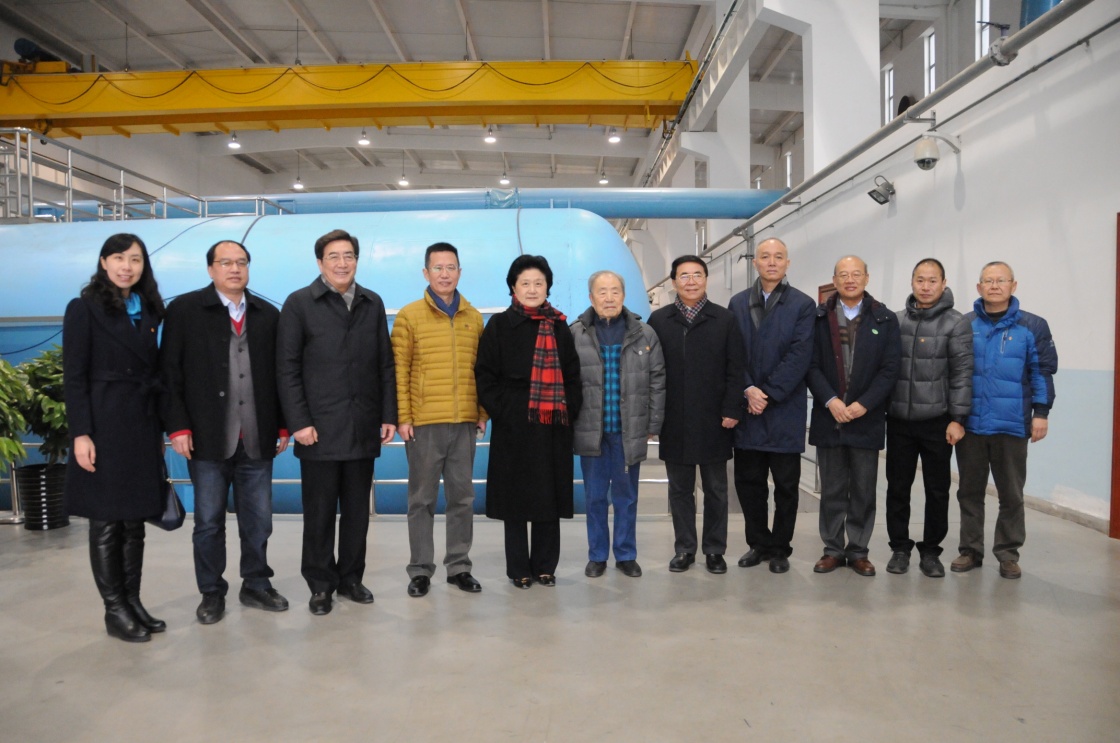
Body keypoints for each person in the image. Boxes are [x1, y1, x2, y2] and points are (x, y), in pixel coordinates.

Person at [161, 240, 291, 625]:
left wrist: (283, 424)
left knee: (259, 520)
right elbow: (170, 373)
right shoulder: (184, 310)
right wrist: (178, 426)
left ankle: (256, 583)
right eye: (226, 262)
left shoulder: (267, 314)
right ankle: (211, 592)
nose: (235, 269)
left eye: (241, 262)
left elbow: (280, 375)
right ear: (210, 269)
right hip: (206, 437)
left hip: (257, 435)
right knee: (208, 522)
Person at [276, 229, 397, 615]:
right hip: (318, 430)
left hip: (362, 425)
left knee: (358, 512)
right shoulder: (299, 304)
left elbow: (385, 363)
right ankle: (320, 584)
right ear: (320, 262)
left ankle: (351, 579)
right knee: (320, 513)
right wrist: (299, 421)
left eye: (349, 256)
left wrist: (388, 415)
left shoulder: (371, 302)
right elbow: (287, 368)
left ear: (357, 260)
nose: (342, 263)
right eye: (334, 256)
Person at [63, 233, 167, 642]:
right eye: (119, 258)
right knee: (107, 520)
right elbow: (74, 376)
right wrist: (81, 433)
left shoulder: (149, 309)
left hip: (141, 423)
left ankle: (132, 600)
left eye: (135, 259)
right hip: (104, 424)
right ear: (104, 262)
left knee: (135, 520)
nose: (127, 267)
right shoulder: (84, 308)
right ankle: (114, 609)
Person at [475, 255, 581, 589]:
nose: (532, 289)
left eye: (539, 283)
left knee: (549, 496)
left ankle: (546, 566)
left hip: (552, 423)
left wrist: (568, 412)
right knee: (515, 499)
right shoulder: (499, 325)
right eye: (525, 283)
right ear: (513, 287)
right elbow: (485, 375)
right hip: (514, 424)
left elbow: (573, 375)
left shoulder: (559, 325)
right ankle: (519, 568)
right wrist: (504, 410)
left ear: (548, 287)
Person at [391, 242, 486, 598]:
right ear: (426, 272)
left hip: (463, 423)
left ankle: (459, 566)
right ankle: (420, 570)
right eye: (438, 268)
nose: (445, 274)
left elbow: (482, 370)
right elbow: (399, 370)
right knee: (422, 499)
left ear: (460, 272)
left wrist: (481, 413)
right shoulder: (409, 316)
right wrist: (403, 416)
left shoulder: (473, 317)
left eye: (451, 267)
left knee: (463, 498)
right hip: (424, 424)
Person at [952, 261, 1056, 579]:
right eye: (988, 281)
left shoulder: (1033, 326)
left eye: (1001, 280)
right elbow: (954, 374)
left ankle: (1008, 554)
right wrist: (954, 417)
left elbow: (1042, 373)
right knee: (969, 492)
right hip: (971, 425)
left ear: (1013, 285)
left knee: (1011, 494)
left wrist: (1041, 413)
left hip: (1012, 425)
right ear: (979, 287)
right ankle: (970, 550)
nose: (994, 286)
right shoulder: (964, 325)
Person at [647, 256, 745, 575]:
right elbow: (651, 372)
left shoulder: (725, 319)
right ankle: (685, 548)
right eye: (684, 276)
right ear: (673, 281)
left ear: (706, 278)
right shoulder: (659, 320)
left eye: (697, 275)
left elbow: (736, 369)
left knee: (716, 489)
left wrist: (732, 409)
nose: (691, 281)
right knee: (679, 490)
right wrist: (654, 416)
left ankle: (715, 550)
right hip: (674, 419)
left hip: (715, 420)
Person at [806, 256, 900, 577]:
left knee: (863, 490)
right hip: (829, 416)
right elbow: (810, 365)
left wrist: (865, 404)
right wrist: (830, 400)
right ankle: (832, 549)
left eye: (856, 274)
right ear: (834, 280)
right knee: (831, 489)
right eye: (843, 275)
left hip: (866, 419)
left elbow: (890, 369)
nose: (850, 279)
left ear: (867, 278)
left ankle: (858, 550)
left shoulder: (885, 319)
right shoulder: (818, 318)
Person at [728, 237, 815, 575]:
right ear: (755, 262)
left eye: (779, 257)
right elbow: (733, 352)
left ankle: (780, 548)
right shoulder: (737, 303)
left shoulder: (803, 305)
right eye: (765, 256)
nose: (772, 262)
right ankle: (758, 544)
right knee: (749, 484)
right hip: (748, 410)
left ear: (787, 263)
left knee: (786, 487)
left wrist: (767, 394)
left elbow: (800, 355)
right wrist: (748, 388)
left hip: (784, 409)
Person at [571, 270, 666, 579]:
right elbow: (566, 384)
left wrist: (653, 423)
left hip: (628, 432)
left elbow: (657, 381)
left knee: (626, 498)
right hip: (592, 432)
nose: (609, 297)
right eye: (602, 292)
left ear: (624, 296)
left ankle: (626, 554)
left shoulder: (644, 334)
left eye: (615, 291)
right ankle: (597, 555)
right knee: (595, 498)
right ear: (591, 297)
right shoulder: (576, 334)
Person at [884, 258, 973, 578]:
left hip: (938, 421)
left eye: (932, 280)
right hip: (899, 421)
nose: (925, 286)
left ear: (943, 283)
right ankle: (899, 548)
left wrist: (958, 418)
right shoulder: (895, 321)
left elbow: (963, 373)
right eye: (920, 280)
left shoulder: (956, 323)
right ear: (911, 282)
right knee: (897, 488)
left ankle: (931, 551)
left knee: (937, 490)